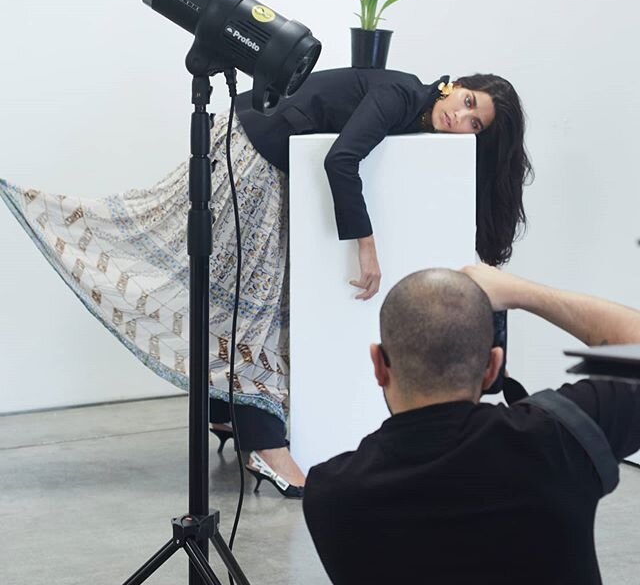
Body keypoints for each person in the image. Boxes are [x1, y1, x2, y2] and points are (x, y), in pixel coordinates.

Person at [0, 67, 530, 497]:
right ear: (453, 85)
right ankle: (265, 448)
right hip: (252, 152)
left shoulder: (416, 119)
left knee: (239, 297)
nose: (460, 117)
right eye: (467, 102)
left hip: (261, 147)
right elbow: (341, 158)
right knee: (248, 305)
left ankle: (224, 412)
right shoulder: (400, 93)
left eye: (474, 124)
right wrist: (366, 244)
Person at [303, 265, 640, 585]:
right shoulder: (555, 440)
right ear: (492, 367)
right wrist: (520, 292)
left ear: (378, 365)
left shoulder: (332, 494)